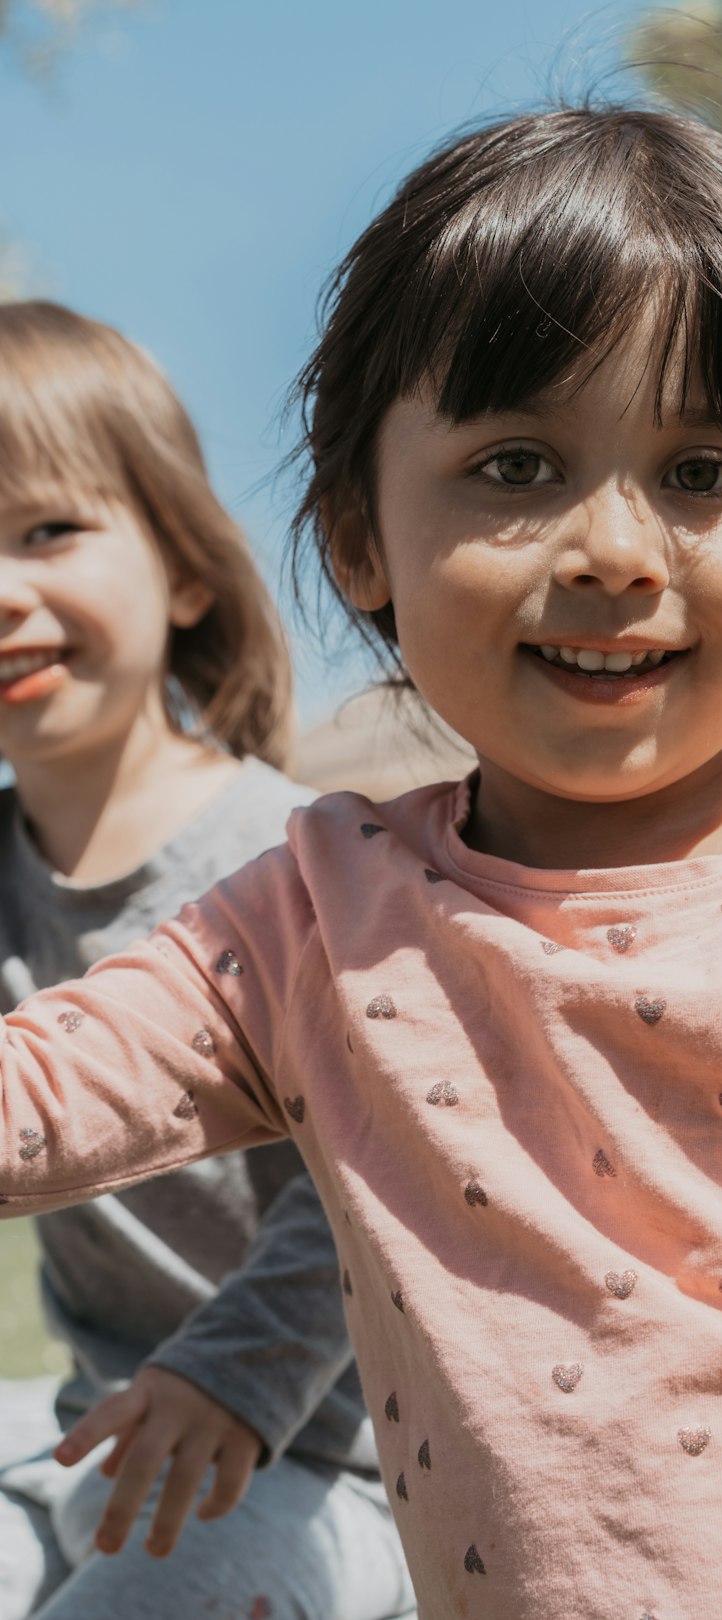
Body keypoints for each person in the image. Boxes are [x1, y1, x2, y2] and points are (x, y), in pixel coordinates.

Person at [0, 107, 722, 1618]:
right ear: (358, 542)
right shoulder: (321, 915)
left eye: (704, 473)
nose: (619, 549)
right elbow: (36, 1101)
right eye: (517, 465)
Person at [0, 302, 414, 1620]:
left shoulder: (293, 860)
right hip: (91, 1444)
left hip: (339, 1465)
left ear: (184, 569)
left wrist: (236, 1375)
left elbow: (384, 1162)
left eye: (47, 530)